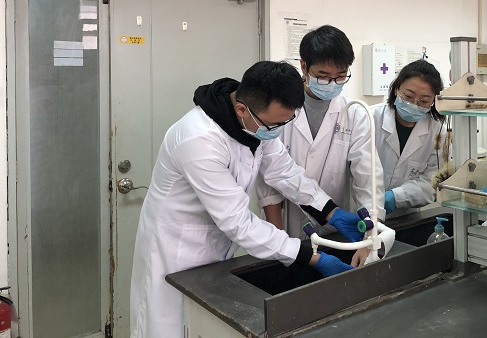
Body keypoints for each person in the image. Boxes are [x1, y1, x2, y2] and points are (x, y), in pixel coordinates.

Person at [130, 61, 366, 338]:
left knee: (205, 326)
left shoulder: (257, 122)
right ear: (242, 110)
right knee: (169, 327)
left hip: (216, 244)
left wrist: (331, 211)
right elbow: (238, 222)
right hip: (176, 250)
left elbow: (284, 171)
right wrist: (310, 257)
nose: (278, 130)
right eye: (275, 124)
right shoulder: (199, 139)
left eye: (286, 121)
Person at [256, 25, 385, 261]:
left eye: (340, 76)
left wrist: (369, 237)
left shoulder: (354, 114)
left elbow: (368, 179)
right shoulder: (280, 108)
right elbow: (268, 178)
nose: (332, 83)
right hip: (286, 227)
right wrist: (278, 240)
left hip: (335, 232)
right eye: (323, 76)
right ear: (304, 66)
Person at [371, 59, 447, 218]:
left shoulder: (438, 132)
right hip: (361, 212)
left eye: (424, 101)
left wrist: (396, 197)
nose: (414, 104)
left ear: (434, 101)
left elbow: (434, 181)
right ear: (396, 89)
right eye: (408, 96)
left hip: (404, 215)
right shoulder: (369, 118)